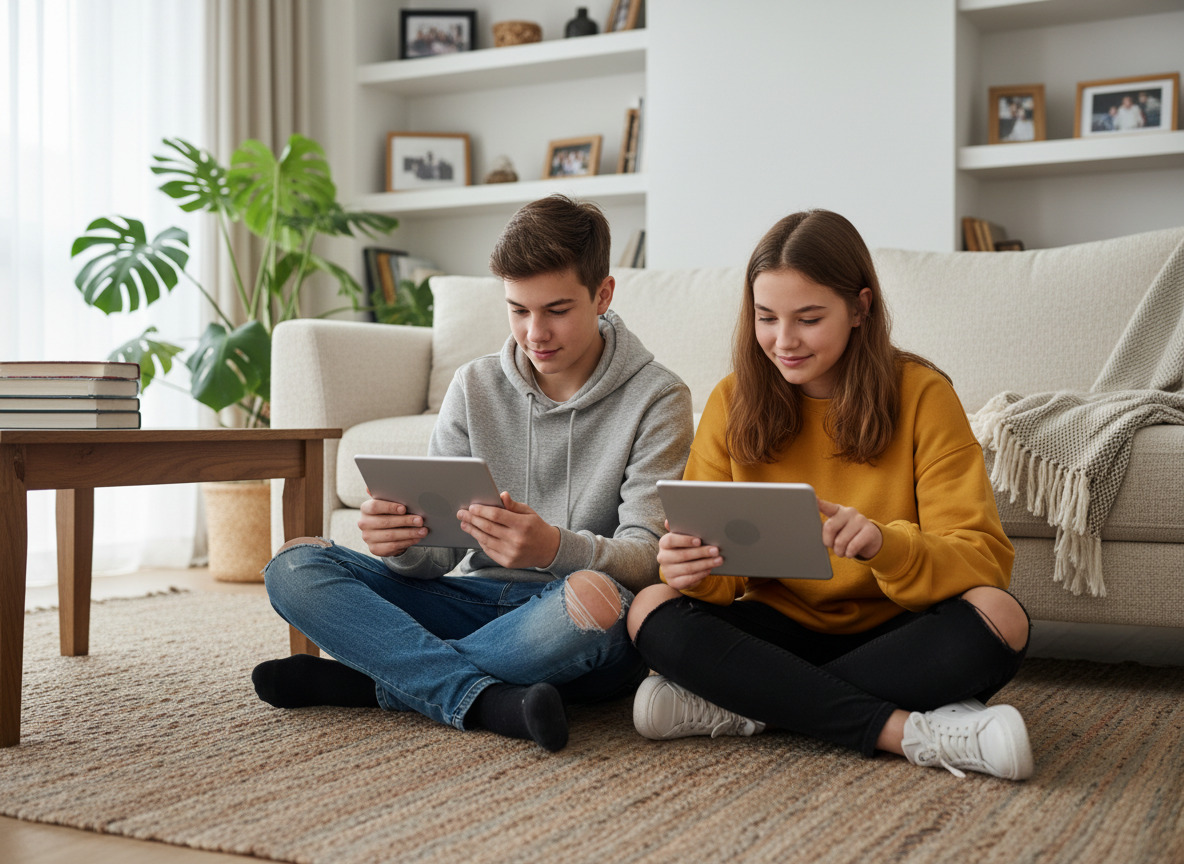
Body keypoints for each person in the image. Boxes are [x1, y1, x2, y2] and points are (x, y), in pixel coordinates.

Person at [252, 195, 694, 752]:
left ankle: (378, 682)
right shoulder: (474, 386)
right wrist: (402, 544)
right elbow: (432, 562)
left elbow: (650, 559)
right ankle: (486, 698)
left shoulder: (659, 397)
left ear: (602, 294)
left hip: (566, 618)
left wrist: (553, 547)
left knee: (595, 599)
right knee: (293, 565)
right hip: (468, 602)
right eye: (518, 309)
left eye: (557, 310)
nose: (535, 333)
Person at [626, 209, 1034, 780]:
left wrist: (885, 547)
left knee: (1001, 616)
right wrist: (688, 568)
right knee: (650, 608)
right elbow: (718, 581)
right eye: (766, 318)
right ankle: (910, 733)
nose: (783, 341)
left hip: (897, 630)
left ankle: (748, 705)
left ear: (860, 308)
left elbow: (984, 558)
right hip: (778, 631)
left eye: (809, 319)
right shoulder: (731, 400)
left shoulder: (923, 394)